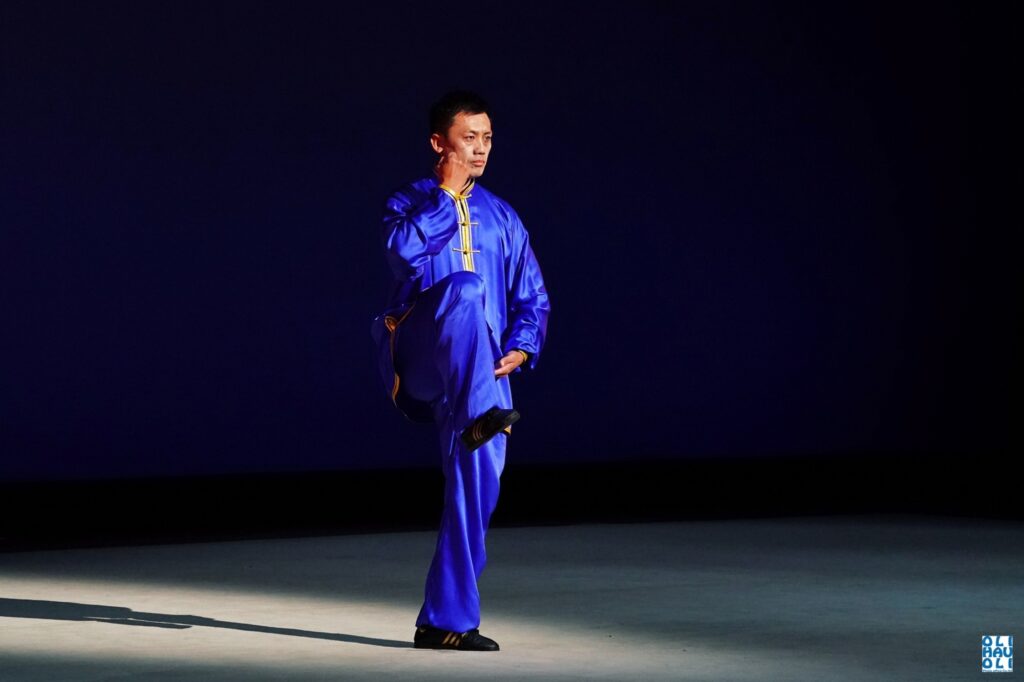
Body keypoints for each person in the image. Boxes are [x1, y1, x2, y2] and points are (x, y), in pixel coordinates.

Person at [370, 90, 550, 651]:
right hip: (423, 355)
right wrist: (446, 197)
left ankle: (445, 621)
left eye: (487, 138)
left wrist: (521, 347)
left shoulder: (503, 217)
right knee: (467, 288)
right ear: (438, 143)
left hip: (486, 374)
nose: (480, 149)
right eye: (469, 138)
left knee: (478, 490)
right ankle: (482, 414)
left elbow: (532, 298)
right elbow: (402, 255)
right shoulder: (409, 202)